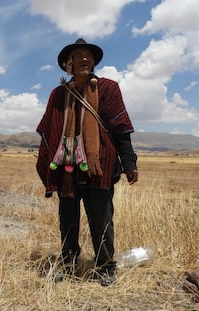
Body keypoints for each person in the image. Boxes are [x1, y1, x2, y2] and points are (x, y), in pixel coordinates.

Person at [36, 38, 138, 286]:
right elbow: (51, 130)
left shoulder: (108, 88)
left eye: (88, 56)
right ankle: (69, 263)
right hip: (67, 170)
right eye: (78, 56)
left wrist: (129, 162)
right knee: (68, 219)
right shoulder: (58, 94)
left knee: (101, 219)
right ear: (67, 65)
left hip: (98, 166)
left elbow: (120, 128)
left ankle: (105, 266)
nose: (84, 59)